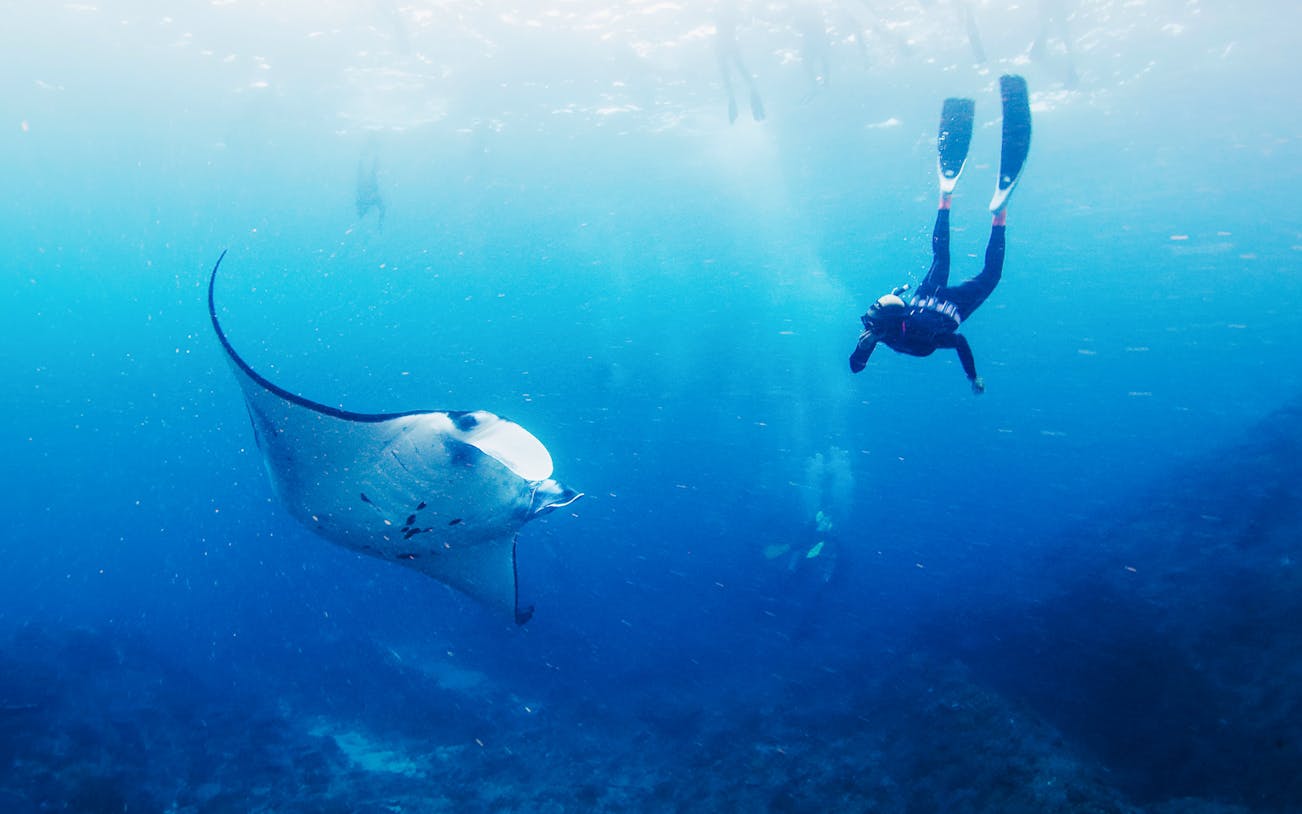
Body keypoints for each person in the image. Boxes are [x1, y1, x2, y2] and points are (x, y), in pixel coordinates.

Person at [849, 75, 1030, 393]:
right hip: (924, 299)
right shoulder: (884, 330)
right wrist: (868, 343)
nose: (868, 326)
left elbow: (957, 340)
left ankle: (996, 217)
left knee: (989, 274)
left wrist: (972, 376)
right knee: (941, 256)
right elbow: (856, 364)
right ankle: (945, 202)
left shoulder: (894, 334)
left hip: (950, 309)